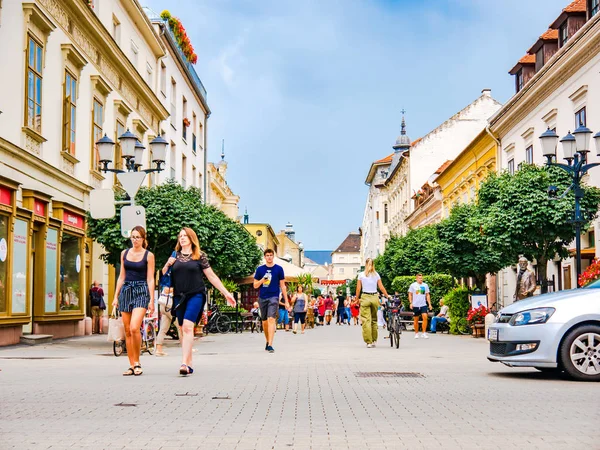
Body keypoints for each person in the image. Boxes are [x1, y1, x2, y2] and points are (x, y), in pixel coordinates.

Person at [162, 228, 235, 375]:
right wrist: (168, 264)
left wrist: (226, 293)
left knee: (188, 327)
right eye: (180, 236)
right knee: (183, 328)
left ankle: (183, 363)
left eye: (185, 236)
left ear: (191, 238)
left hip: (196, 294)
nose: (182, 238)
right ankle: (189, 363)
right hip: (179, 296)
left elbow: (211, 276)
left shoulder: (199, 256)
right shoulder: (175, 255)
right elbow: (164, 274)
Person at [113, 226, 155, 376]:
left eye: (138, 237)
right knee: (127, 331)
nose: (135, 240)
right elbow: (121, 276)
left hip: (142, 290)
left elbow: (150, 278)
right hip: (126, 290)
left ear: (143, 239)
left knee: (134, 327)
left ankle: (137, 362)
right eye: (133, 237)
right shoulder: (124, 253)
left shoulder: (148, 255)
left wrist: (151, 299)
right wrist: (115, 296)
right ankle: (131, 364)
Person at [253, 248, 288, 353]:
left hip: (274, 297)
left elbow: (283, 286)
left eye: (271, 255)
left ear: (273, 256)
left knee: (271, 319)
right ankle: (267, 341)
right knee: (264, 322)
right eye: (267, 255)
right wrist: (262, 280)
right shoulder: (260, 269)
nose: (269, 257)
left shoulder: (279, 269)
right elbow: (255, 285)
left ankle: (270, 344)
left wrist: (286, 301)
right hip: (262, 297)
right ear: (265, 257)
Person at [356, 258, 389, 348]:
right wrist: (387, 296)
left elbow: (358, 289)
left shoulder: (361, 275)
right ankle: (374, 340)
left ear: (366, 264)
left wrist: (356, 298)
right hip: (374, 297)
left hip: (365, 297)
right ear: (373, 264)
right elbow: (381, 288)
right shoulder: (376, 275)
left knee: (366, 320)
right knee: (374, 320)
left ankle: (368, 342)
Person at [155, 286, 182, 356]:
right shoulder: (169, 278)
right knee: (180, 326)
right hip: (169, 306)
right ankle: (186, 347)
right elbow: (166, 289)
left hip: (165, 305)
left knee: (163, 329)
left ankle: (158, 349)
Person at [408, 274, 433, 339]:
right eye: (419, 278)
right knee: (416, 319)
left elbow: (427, 295)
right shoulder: (413, 285)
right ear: (416, 278)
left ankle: (424, 332)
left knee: (425, 317)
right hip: (415, 305)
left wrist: (429, 304)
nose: (421, 279)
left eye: (421, 278)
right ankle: (416, 333)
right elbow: (410, 294)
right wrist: (411, 303)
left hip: (423, 304)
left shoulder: (425, 285)